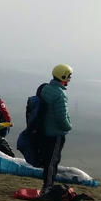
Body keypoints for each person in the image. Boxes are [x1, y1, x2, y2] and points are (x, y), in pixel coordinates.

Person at [39, 64, 73, 193]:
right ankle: (47, 187)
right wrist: (68, 126)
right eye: (68, 76)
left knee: (49, 160)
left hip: (45, 130)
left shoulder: (46, 88)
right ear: (63, 76)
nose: (69, 79)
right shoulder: (60, 94)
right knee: (53, 161)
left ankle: (47, 185)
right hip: (55, 133)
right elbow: (61, 117)